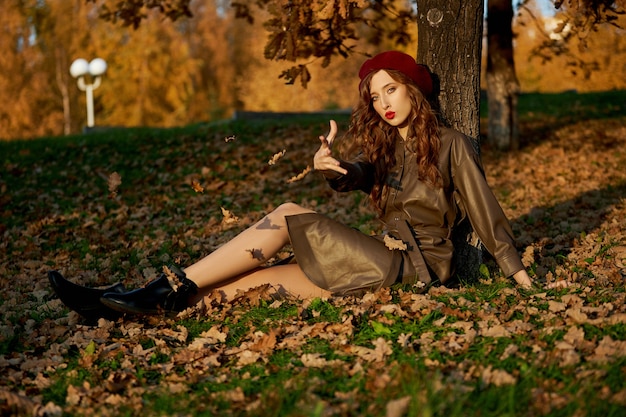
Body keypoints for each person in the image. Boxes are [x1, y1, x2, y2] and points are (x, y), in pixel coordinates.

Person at [49, 50, 532, 321]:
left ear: (413, 88)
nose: (384, 102)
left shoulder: (452, 145)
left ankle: (161, 288)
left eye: (392, 88)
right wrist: (334, 167)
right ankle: (117, 303)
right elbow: (361, 173)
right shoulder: (387, 148)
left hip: (416, 268)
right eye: (375, 94)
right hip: (381, 258)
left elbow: (487, 216)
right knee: (248, 281)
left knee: (283, 212)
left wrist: (521, 278)